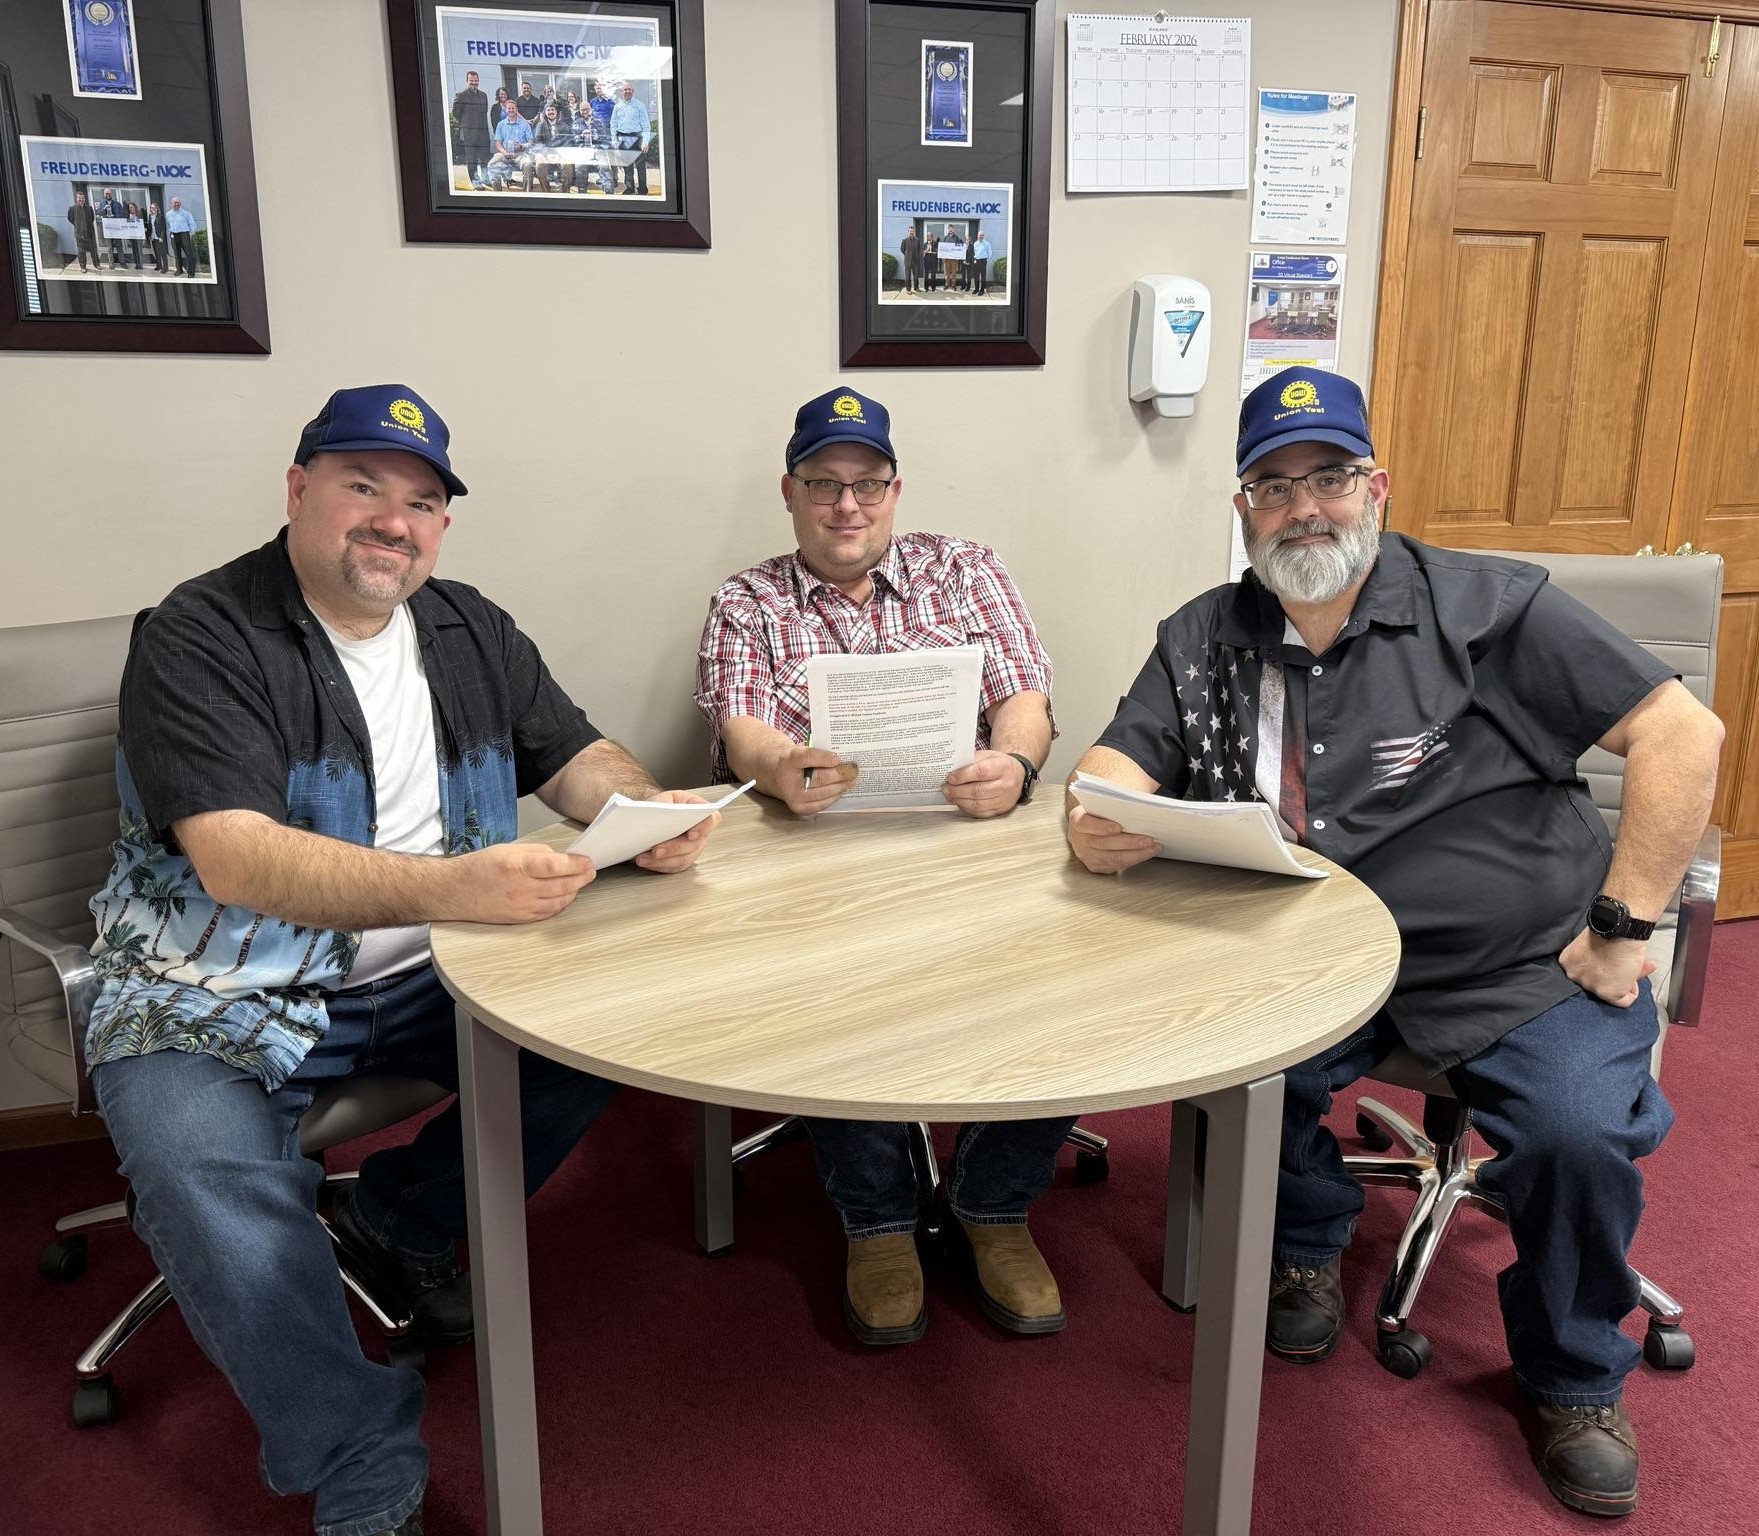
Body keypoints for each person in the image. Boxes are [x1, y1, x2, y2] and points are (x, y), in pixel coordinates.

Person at [1065, 365, 1724, 1520]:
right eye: (1274, 488)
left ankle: (1573, 1377)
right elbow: (1116, 763)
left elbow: (1683, 735)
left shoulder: (1485, 610)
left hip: (1521, 960)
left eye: (1327, 478)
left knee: (1574, 1136)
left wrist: (1625, 925)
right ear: (1242, 510)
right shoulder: (1207, 636)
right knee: (1234, 1067)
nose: (1302, 508)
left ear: (1375, 488)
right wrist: (1095, 815)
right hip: (1307, 956)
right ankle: (1305, 1239)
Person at [83, 384, 720, 1536]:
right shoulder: (197, 634)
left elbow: (577, 757)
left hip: (440, 969)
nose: (393, 520)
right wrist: (454, 888)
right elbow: (235, 858)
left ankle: (405, 1222)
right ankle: (362, 1463)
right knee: (197, 1164)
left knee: (627, 1022)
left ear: (442, 525)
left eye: (421, 502)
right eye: (363, 486)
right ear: (298, 490)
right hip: (214, 986)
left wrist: (643, 811)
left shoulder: (470, 628)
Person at [694, 387, 1071, 1348]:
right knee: (829, 979)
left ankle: (993, 1203)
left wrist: (1014, 765)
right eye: (823, 484)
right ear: (790, 492)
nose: (846, 505)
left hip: (968, 848)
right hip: (817, 864)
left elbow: (1025, 696)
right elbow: (739, 728)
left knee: (1074, 955)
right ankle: (877, 1221)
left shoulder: (965, 569)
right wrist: (782, 767)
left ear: (895, 491)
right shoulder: (748, 600)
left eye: (866, 484)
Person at [452, 68, 491, 188]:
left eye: (476, 80)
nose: (474, 83)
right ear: (467, 81)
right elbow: (456, 113)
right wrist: (467, 123)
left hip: (483, 132)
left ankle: (485, 178)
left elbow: (484, 112)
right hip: (469, 133)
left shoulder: (483, 95)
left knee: (485, 157)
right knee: (472, 159)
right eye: (471, 80)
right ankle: (475, 181)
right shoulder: (461, 95)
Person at [611, 80, 651, 195]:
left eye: (629, 89)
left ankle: (642, 188)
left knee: (640, 166)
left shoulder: (639, 105)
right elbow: (613, 124)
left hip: (637, 137)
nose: (627, 91)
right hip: (623, 138)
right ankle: (630, 188)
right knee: (627, 165)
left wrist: (645, 141)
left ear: (633, 91)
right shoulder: (617, 106)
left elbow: (646, 125)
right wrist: (614, 140)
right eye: (625, 89)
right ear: (622, 92)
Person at [483, 108, 533, 189]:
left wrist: (522, 146)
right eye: (509, 108)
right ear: (506, 111)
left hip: (520, 154)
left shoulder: (525, 124)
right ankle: (498, 193)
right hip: (504, 153)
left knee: (527, 164)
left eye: (513, 108)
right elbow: (498, 143)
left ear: (516, 110)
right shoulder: (501, 124)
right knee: (492, 164)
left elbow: (530, 143)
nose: (511, 110)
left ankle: (527, 193)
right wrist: (504, 152)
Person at [65, 190, 101, 272]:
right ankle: (83, 267)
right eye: (79, 198)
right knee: (81, 252)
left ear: (84, 199)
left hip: (89, 233)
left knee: (93, 250)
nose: (81, 200)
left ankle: (96, 264)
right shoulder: (72, 209)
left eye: (82, 198)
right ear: (76, 199)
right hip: (79, 234)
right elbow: (70, 218)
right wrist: (78, 225)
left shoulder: (89, 208)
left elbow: (92, 218)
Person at [96, 185, 127, 268]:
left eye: (109, 193)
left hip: (117, 229)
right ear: (104, 195)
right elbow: (97, 213)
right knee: (109, 247)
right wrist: (104, 209)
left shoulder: (117, 204)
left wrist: (117, 219)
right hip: (107, 230)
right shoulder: (102, 204)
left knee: (119, 246)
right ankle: (111, 263)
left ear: (111, 194)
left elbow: (122, 214)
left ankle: (122, 262)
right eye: (106, 193)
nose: (108, 195)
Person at [165, 197, 198, 277]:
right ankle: (179, 270)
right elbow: (168, 224)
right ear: (171, 203)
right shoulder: (168, 214)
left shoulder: (186, 214)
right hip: (173, 235)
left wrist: (190, 234)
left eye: (178, 202)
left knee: (188, 253)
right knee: (177, 254)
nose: (176, 204)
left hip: (184, 234)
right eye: (174, 202)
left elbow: (192, 224)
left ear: (180, 203)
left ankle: (191, 272)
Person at [144, 199, 167, 273]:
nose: (152, 209)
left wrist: (162, 237)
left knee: (163, 253)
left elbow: (163, 227)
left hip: (159, 237)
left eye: (154, 207)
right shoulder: (150, 216)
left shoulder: (160, 216)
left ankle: (165, 268)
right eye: (151, 208)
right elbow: (150, 226)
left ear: (157, 209)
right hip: (153, 237)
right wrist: (147, 231)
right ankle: (159, 265)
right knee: (156, 253)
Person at [898, 224, 921, 293]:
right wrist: (907, 255)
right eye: (910, 231)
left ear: (914, 232)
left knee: (916, 276)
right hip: (908, 262)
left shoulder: (917, 240)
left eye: (913, 231)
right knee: (908, 277)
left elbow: (918, 249)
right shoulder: (904, 240)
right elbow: (902, 250)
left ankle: (916, 288)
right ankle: (908, 289)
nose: (911, 232)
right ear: (908, 232)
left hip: (915, 261)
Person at [124, 200, 146, 271]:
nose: (131, 209)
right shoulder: (128, 216)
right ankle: (137, 264)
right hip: (132, 236)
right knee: (134, 250)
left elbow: (142, 223)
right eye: (130, 207)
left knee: (139, 250)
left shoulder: (139, 214)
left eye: (132, 207)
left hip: (139, 235)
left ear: (135, 207)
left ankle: (140, 265)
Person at [970, 229, 992, 296]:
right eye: (980, 235)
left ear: (983, 236)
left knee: (983, 276)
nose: (981, 236)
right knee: (976, 276)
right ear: (977, 235)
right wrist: (974, 259)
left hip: (983, 261)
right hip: (976, 261)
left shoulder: (987, 244)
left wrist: (986, 260)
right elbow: (974, 252)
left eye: (982, 235)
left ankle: (982, 290)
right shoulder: (975, 243)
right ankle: (976, 289)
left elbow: (990, 253)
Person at [941, 224, 961, 291]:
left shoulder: (957, 238)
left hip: (954, 259)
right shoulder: (945, 238)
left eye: (952, 228)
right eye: (949, 228)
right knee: (947, 272)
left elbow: (959, 248)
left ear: (954, 230)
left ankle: (953, 285)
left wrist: (958, 256)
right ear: (948, 229)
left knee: (954, 272)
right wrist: (943, 257)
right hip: (947, 259)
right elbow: (943, 248)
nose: (951, 230)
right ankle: (947, 284)